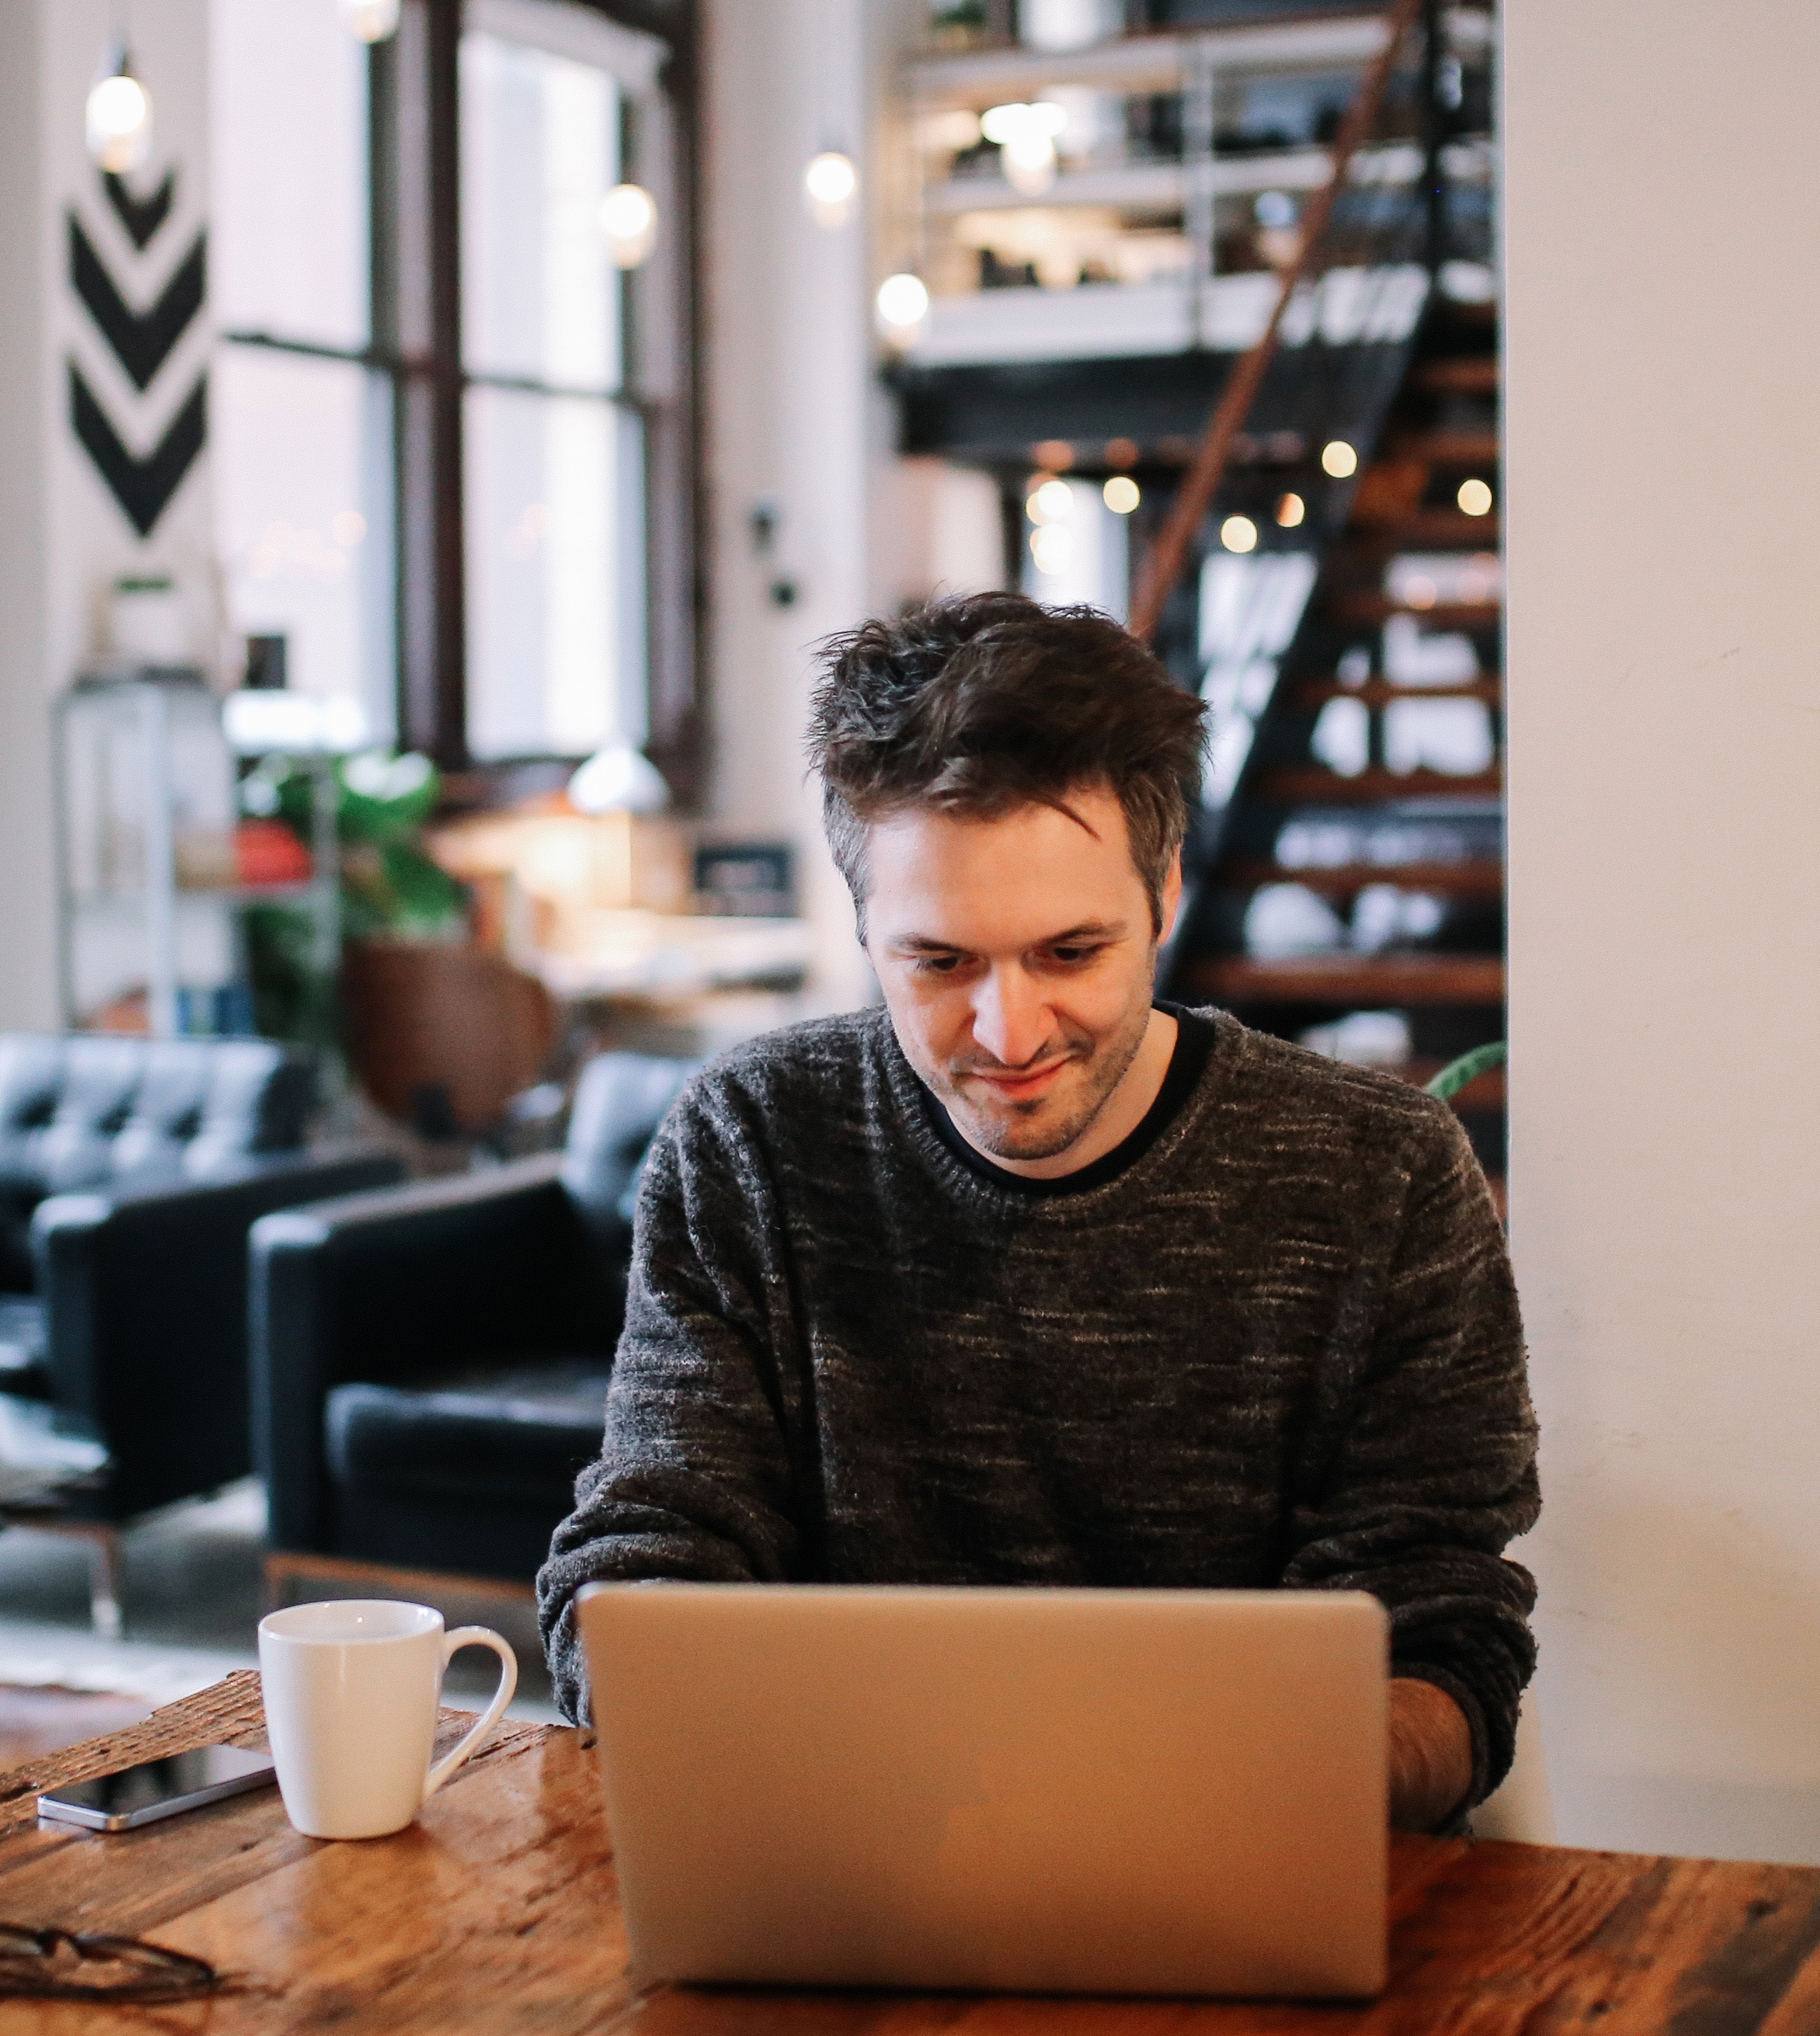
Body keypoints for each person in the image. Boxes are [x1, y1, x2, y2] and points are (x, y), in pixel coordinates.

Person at [536, 591, 1536, 1829]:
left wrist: (1259, 1780)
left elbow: (1439, 1632)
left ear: (1163, 894)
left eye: (1070, 952)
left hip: (1243, 1859)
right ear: (861, 927)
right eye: (940, 961)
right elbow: (646, 1555)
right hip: (843, 1856)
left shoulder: (1380, 1171)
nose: (1009, 1035)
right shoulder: (751, 1139)